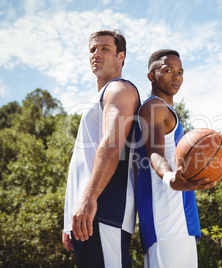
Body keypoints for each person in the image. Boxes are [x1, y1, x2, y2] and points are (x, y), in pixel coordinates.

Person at [62, 29, 140, 268]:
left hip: (105, 211)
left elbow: (112, 144)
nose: (96, 53)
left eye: (105, 48)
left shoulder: (119, 89)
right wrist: (69, 222)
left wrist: (89, 198)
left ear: (121, 57)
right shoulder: (100, 99)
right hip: (87, 219)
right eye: (93, 49)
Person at [135, 49, 216, 268]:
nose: (176, 76)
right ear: (152, 75)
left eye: (180, 72)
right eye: (168, 70)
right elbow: (155, 153)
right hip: (166, 221)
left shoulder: (166, 111)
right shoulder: (153, 107)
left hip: (180, 220)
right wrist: (171, 178)